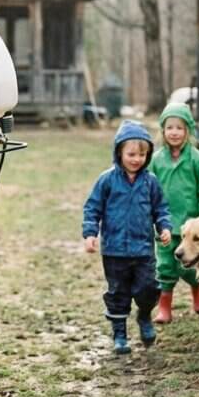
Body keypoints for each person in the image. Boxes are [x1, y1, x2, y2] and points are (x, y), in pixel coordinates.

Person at [82, 121, 172, 355]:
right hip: (114, 251)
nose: (136, 159)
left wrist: (164, 227)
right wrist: (90, 233)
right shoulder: (107, 180)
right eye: (131, 154)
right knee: (118, 292)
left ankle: (144, 316)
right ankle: (120, 333)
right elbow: (92, 208)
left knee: (148, 288)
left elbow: (160, 208)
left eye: (142, 154)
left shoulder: (150, 182)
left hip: (143, 250)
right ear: (119, 152)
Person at [149, 102, 199, 323]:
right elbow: (148, 190)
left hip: (192, 226)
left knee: (192, 265)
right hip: (165, 224)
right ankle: (164, 307)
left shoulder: (196, 158)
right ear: (163, 131)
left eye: (179, 127)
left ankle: (198, 294)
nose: (174, 132)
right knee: (165, 265)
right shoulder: (156, 160)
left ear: (188, 130)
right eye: (170, 128)